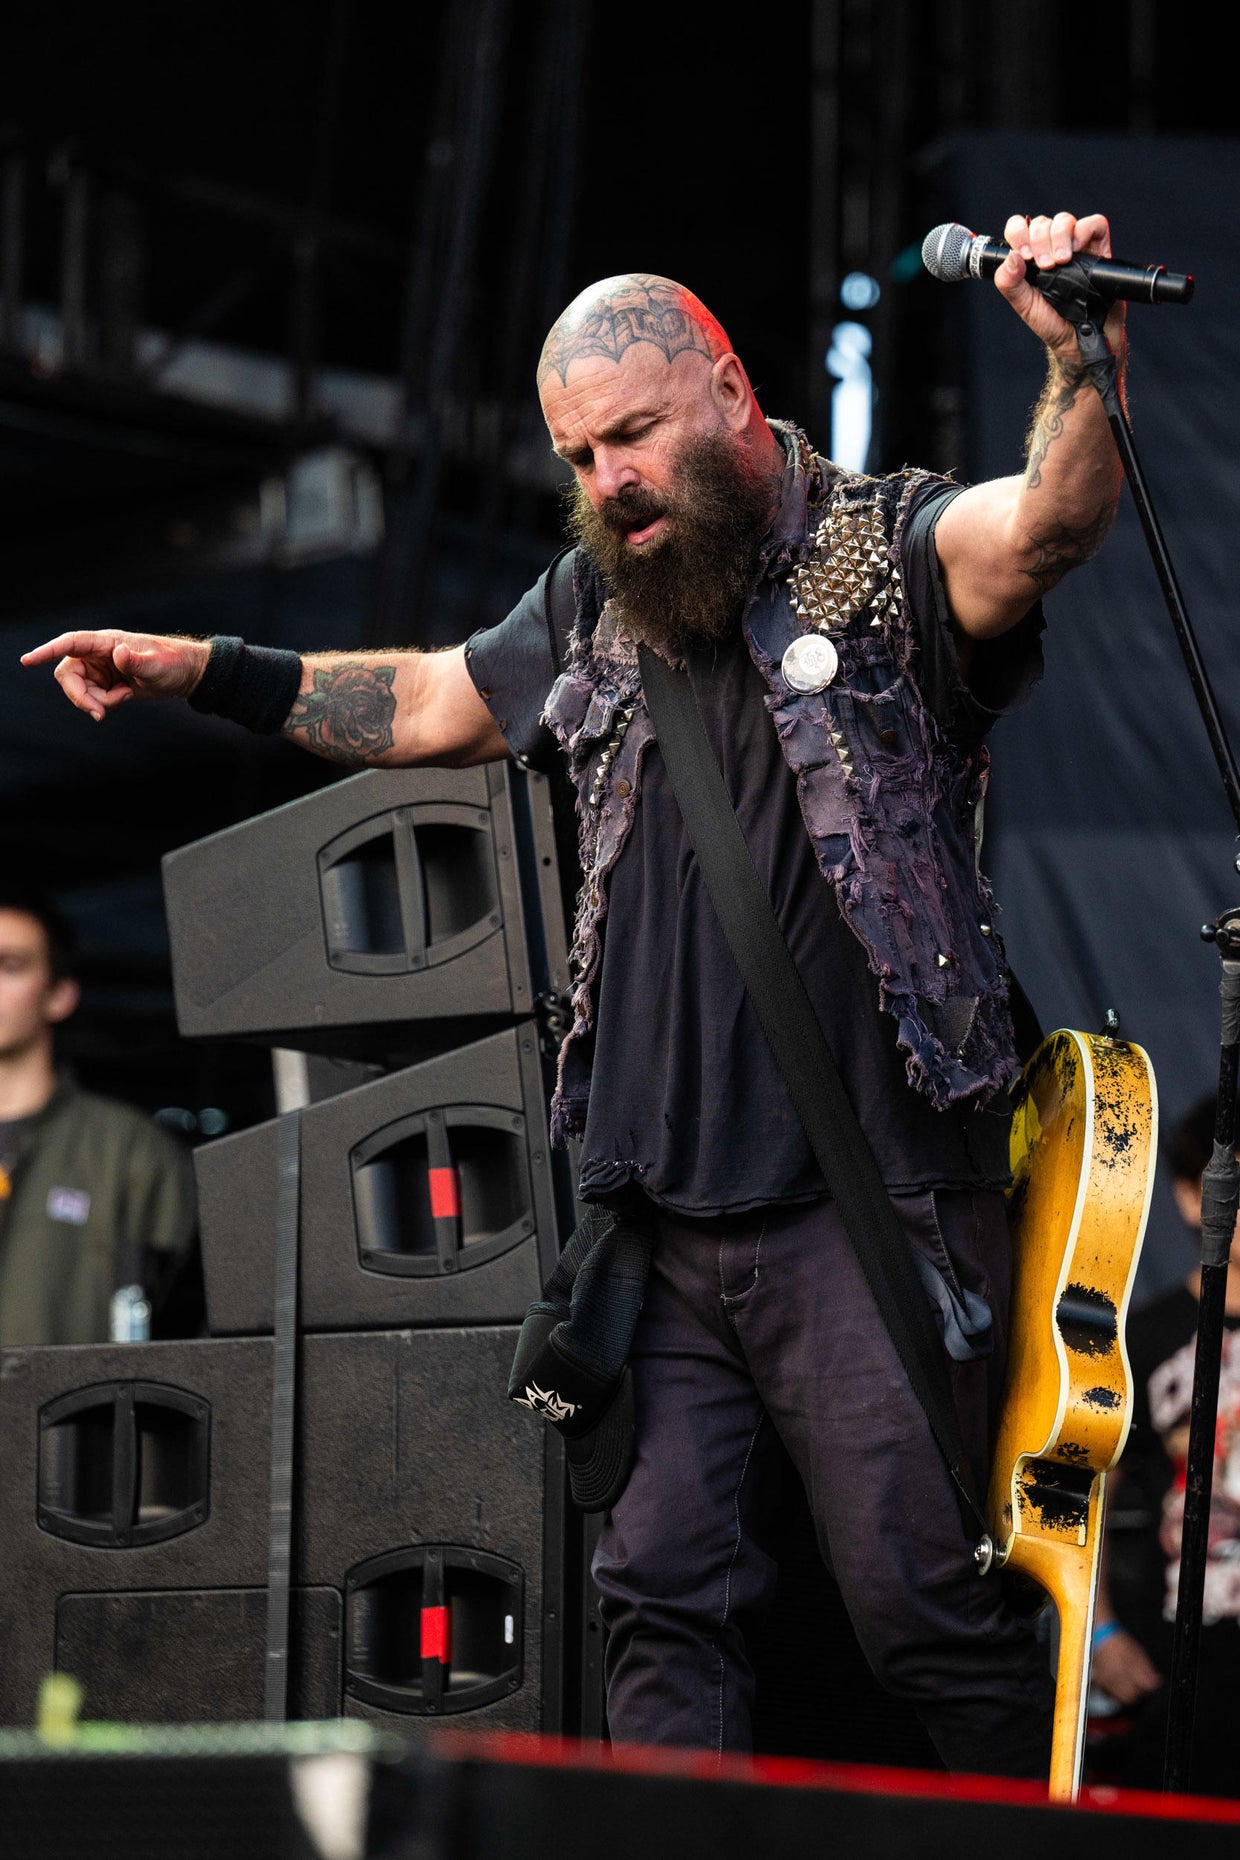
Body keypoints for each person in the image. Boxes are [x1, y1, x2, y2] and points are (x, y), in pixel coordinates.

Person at [23, 211, 1126, 1777]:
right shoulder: (591, 601)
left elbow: (1045, 531)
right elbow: (418, 704)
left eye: (633, 435)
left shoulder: (884, 551)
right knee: (656, 1611)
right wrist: (203, 665)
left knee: (925, 1620)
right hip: (652, 1222)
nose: (607, 480)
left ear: (731, 394)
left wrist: (1083, 353)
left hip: (864, 1203)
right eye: (578, 452)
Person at [1088, 1094, 1240, 1798]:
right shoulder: (1142, 1339)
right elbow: (1084, 1500)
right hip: (1181, 1658)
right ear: (1189, 1197)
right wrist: (1100, 1636)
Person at [0, 883, 199, 1346]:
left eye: (10, 966)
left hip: (69, 1418)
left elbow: (186, 1339)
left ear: (59, 995)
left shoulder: (134, 1153)